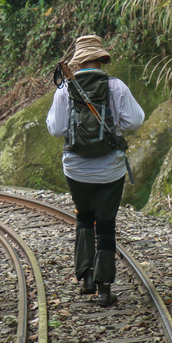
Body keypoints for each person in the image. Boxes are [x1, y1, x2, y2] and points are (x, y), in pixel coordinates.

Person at [46, 35, 145, 306]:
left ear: (78, 62)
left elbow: (56, 129)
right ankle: (104, 289)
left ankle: (86, 276)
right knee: (105, 224)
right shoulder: (116, 86)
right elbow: (135, 121)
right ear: (102, 59)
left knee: (84, 216)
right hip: (111, 169)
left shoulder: (65, 89)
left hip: (76, 168)